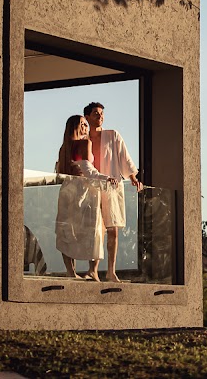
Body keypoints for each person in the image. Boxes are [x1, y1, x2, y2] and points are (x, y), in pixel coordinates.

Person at [54, 115, 117, 282]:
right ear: (75, 127)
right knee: (95, 229)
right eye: (82, 124)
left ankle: (70, 271)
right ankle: (93, 271)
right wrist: (107, 178)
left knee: (67, 230)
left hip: (67, 190)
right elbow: (88, 170)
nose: (86, 127)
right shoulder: (85, 143)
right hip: (84, 191)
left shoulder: (64, 148)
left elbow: (60, 171)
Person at [84, 102, 141, 283]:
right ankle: (93, 270)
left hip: (112, 186)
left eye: (101, 113)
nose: (100, 116)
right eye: (95, 113)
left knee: (113, 229)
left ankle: (111, 271)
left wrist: (133, 178)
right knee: (95, 229)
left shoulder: (112, 135)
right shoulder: (83, 138)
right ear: (87, 117)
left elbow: (124, 157)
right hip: (92, 187)